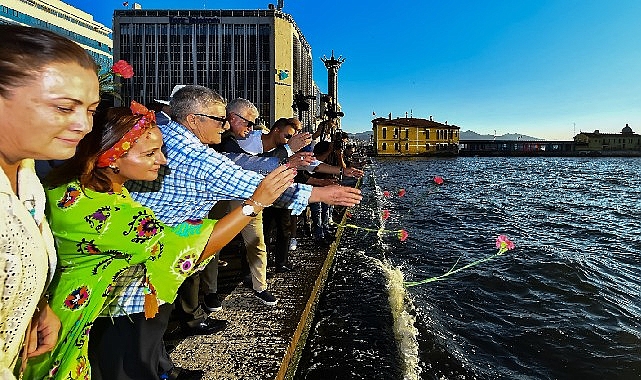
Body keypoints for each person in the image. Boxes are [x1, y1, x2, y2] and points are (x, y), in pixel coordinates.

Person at [24, 101, 295, 379]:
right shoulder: (112, 217)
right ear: (113, 157)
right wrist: (254, 204)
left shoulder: (73, 188)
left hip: (57, 312)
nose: (163, 160)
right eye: (151, 153)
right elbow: (188, 251)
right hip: (68, 327)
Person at [126, 86, 362, 322]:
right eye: (220, 119)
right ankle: (206, 300)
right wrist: (318, 194)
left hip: (142, 249)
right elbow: (249, 178)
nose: (225, 126)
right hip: (147, 272)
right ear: (194, 120)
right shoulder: (195, 154)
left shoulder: (162, 133)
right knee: (142, 338)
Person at [0, 25, 100, 379]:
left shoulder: (27, 178)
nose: (83, 125)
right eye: (63, 108)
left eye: (90, 109)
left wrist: (34, 306)